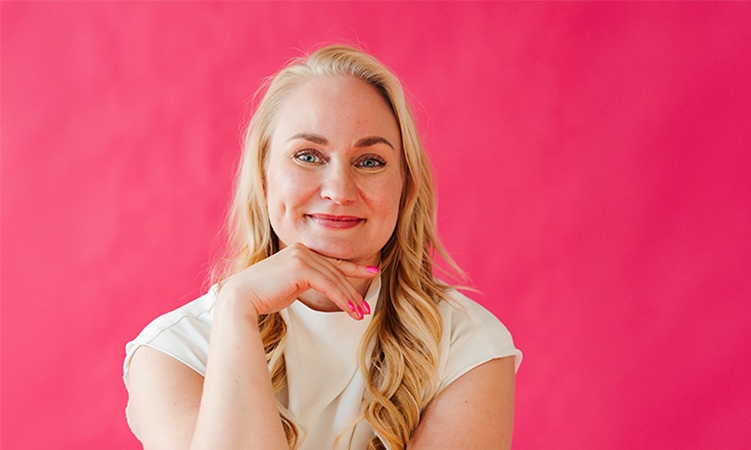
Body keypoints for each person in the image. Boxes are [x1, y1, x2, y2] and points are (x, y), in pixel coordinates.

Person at [123, 44, 522, 450]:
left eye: (370, 161)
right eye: (308, 156)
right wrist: (237, 307)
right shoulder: (173, 352)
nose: (339, 190)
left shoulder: (469, 345)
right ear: (263, 178)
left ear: (405, 186)